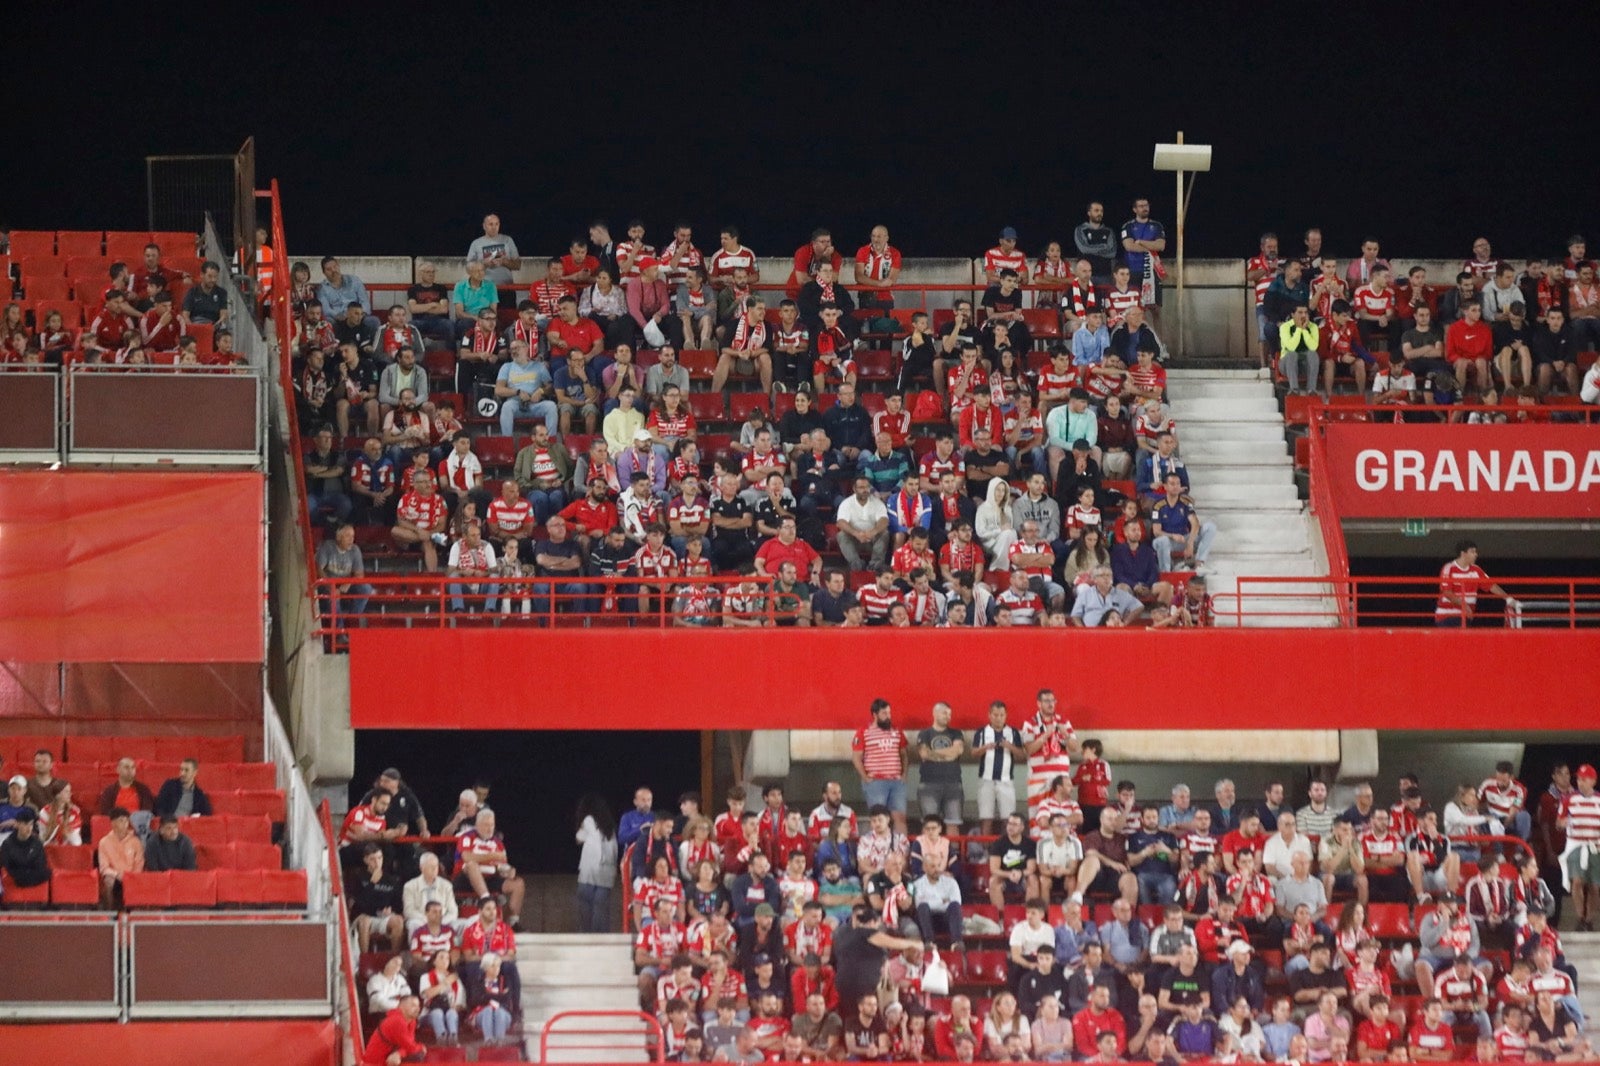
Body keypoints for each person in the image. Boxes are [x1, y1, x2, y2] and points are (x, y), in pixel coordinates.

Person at [1436, 539, 1517, 626]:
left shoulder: (1476, 570)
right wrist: (1465, 606)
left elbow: (1491, 585)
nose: (1476, 555)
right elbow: (1447, 592)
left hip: (1466, 616)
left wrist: (1508, 598)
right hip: (1447, 616)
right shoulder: (1449, 568)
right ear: (1463, 554)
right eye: (1472, 552)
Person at [915, 702, 965, 828]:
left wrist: (933, 753)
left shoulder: (956, 733)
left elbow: (957, 751)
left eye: (949, 714)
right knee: (929, 824)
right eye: (944, 713)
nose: (948, 716)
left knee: (953, 823)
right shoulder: (924, 734)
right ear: (935, 713)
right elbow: (924, 754)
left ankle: (953, 848)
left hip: (953, 784)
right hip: (929, 785)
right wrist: (947, 755)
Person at [575, 793, 619, 934]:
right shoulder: (609, 826)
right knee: (601, 907)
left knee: (586, 905)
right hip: (607, 871)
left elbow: (579, 838)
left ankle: (589, 935)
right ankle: (602, 935)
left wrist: (581, 828)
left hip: (590, 870)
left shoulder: (588, 820)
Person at [96, 806, 144, 907]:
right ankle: (110, 914)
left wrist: (131, 876)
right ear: (113, 823)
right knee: (108, 881)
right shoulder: (104, 842)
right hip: (115, 876)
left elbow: (139, 863)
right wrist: (117, 875)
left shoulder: (135, 841)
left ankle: (132, 912)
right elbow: (104, 867)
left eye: (127, 820)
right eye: (121, 821)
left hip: (132, 875)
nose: (125, 823)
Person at [362, 994, 424, 1066]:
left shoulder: (412, 1021)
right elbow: (411, 1047)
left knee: (418, 1055)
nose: (417, 1009)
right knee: (418, 1055)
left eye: (418, 1006)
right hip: (374, 1063)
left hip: (388, 1059)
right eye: (413, 1005)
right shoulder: (397, 1020)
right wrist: (421, 1047)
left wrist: (398, 1053)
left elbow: (409, 1045)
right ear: (402, 1007)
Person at [0, 808, 49, 888]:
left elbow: (41, 864)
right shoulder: (7, 844)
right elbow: (8, 867)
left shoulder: (37, 844)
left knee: (46, 873)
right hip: (17, 877)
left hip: (32, 875)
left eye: (31, 824)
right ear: (17, 824)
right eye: (26, 824)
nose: (29, 828)